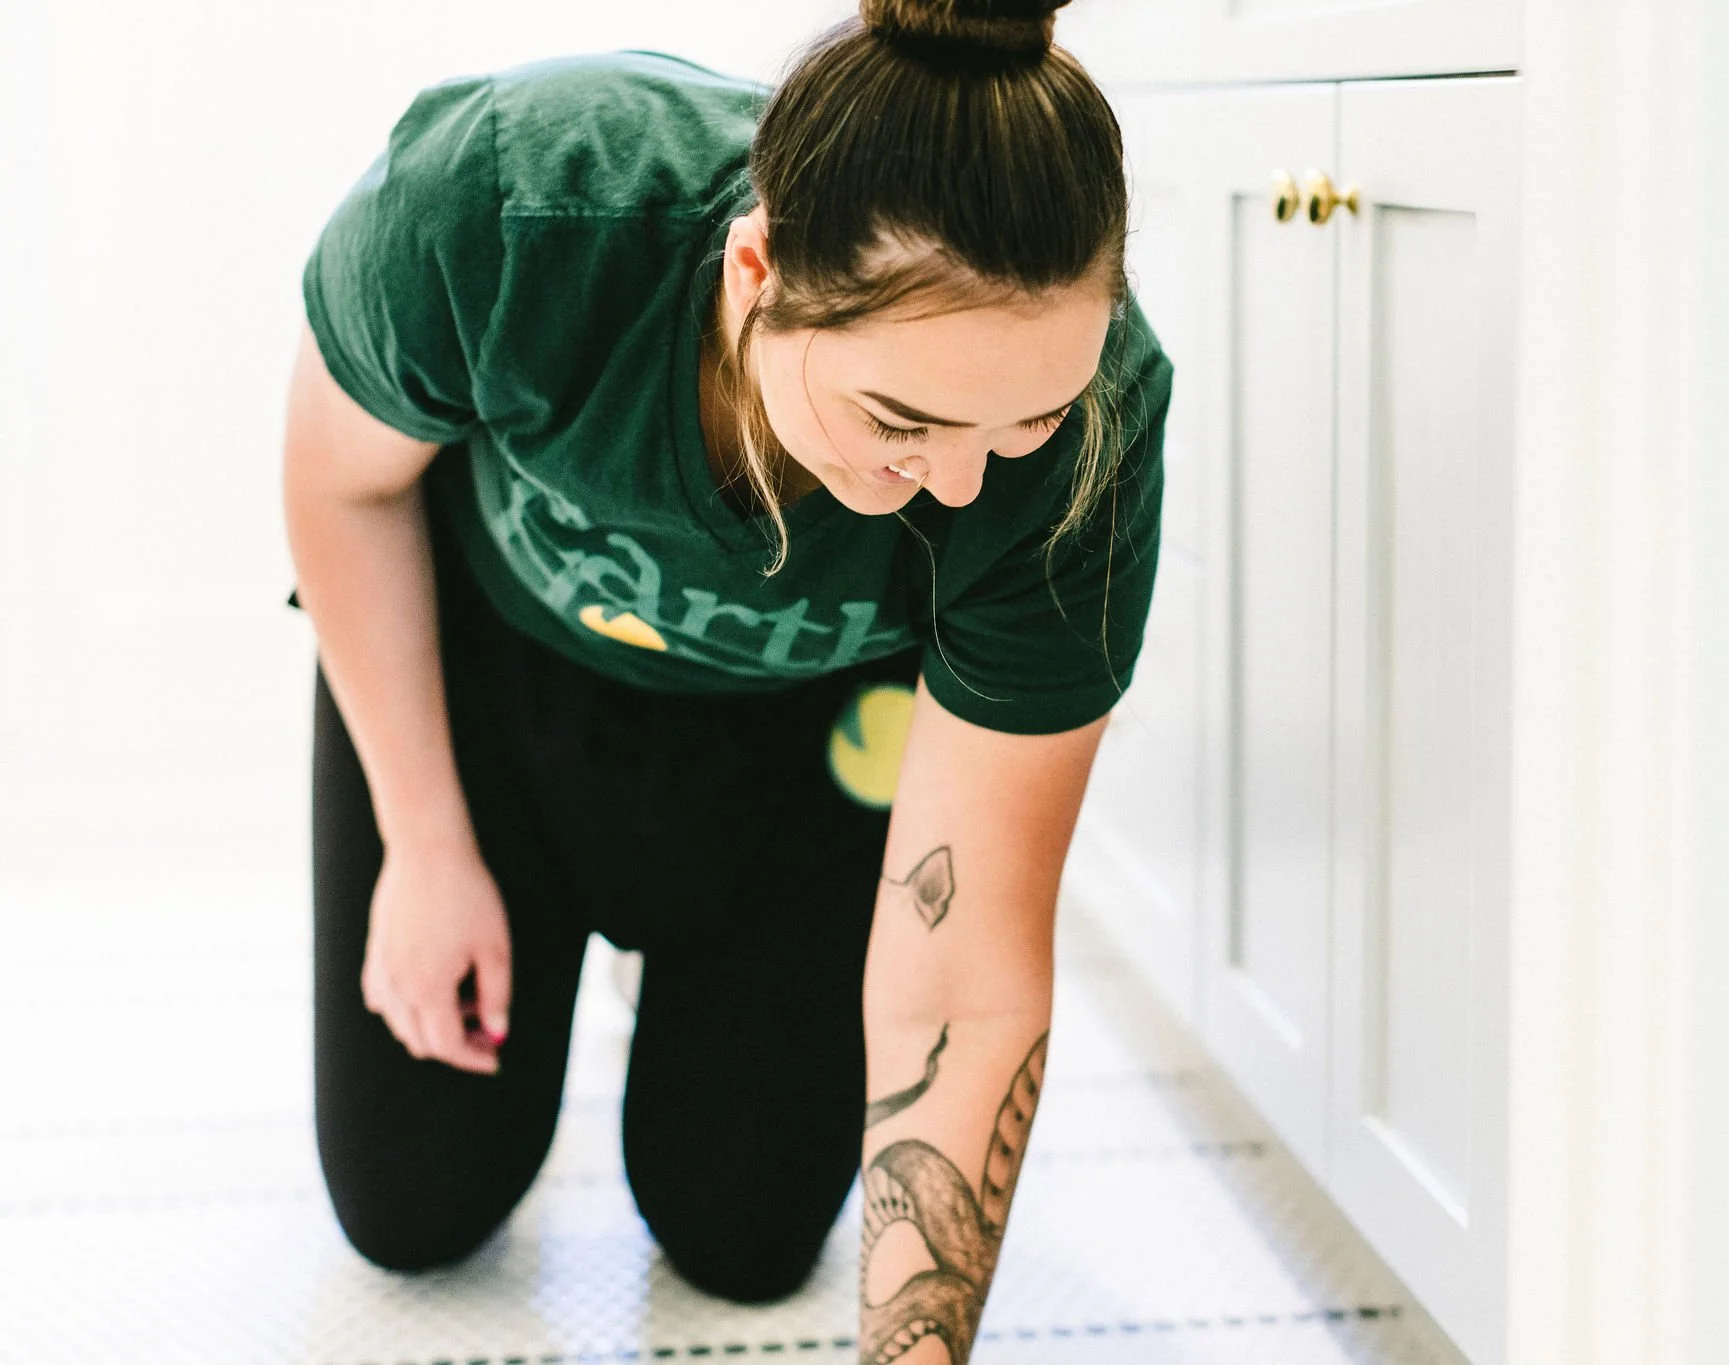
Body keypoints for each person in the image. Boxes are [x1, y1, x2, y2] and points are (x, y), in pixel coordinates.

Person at [281, 1, 1171, 1360]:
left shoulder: (1097, 430)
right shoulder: (515, 200)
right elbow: (342, 489)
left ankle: (692, 979)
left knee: (744, 1240)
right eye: (901, 422)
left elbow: (974, 963)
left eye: (1025, 421)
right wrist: (424, 846)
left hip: (809, 750)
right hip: (500, 690)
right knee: (411, 1210)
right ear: (756, 270)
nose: (959, 485)